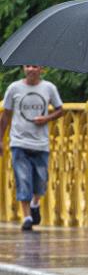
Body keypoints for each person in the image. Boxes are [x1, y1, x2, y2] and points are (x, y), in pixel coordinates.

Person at [0, 65, 63, 230]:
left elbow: (60, 110)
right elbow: (6, 114)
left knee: (41, 181)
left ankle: (35, 204)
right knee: (23, 179)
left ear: (41, 69)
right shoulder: (14, 88)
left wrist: (47, 118)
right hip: (19, 142)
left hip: (41, 143)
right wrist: (0, 139)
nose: (31, 69)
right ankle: (27, 216)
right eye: (28, 66)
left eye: (34, 66)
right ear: (23, 68)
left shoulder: (49, 88)